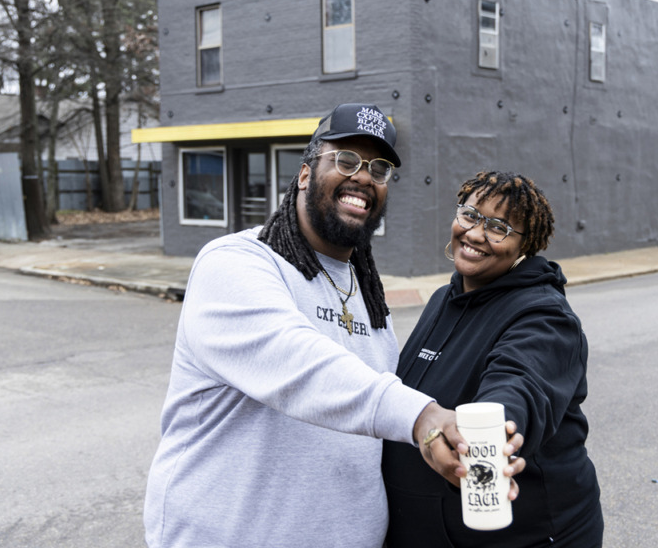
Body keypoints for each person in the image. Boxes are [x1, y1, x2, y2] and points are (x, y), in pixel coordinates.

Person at [144, 104, 523, 548]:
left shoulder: (367, 296)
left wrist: (457, 446)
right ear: (305, 174)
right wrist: (422, 417)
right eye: (345, 160)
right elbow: (298, 365)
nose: (363, 176)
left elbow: (368, 421)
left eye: (379, 168)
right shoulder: (235, 263)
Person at [382, 171, 603, 548]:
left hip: (527, 536)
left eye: (499, 226)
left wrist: (495, 434)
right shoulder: (442, 299)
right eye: (469, 215)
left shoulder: (545, 317)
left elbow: (520, 383)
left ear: (525, 245)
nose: (476, 233)